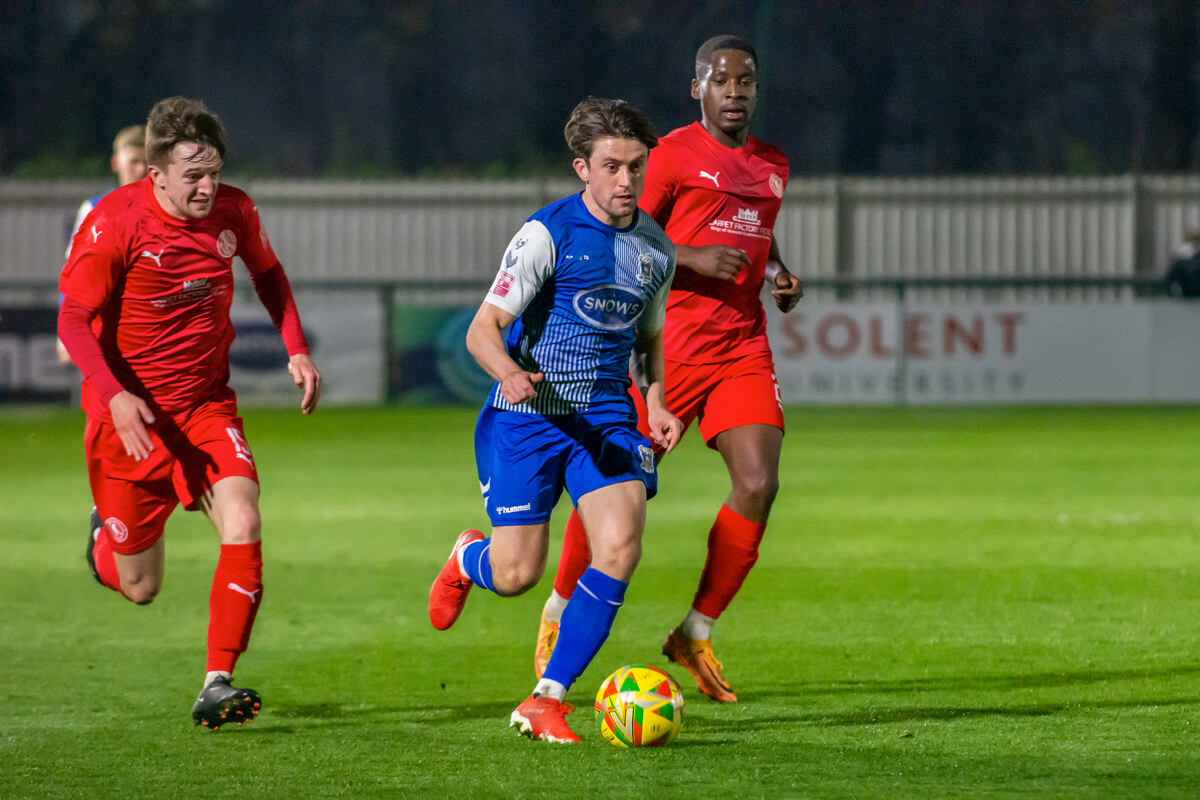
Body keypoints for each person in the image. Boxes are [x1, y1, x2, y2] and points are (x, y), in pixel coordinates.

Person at [533, 35, 804, 704]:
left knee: (759, 481)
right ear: (698, 89)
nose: (734, 90)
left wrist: (777, 272)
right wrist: (694, 258)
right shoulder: (672, 156)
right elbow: (621, 229)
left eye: (746, 80)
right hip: (672, 344)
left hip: (741, 344)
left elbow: (757, 233)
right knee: (612, 482)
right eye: (721, 79)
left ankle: (695, 631)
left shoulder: (773, 165)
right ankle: (560, 610)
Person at [57, 96, 321, 730]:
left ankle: (216, 680)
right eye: (193, 176)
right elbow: (71, 318)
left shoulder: (235, 209)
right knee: (140, 587)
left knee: (244, 516)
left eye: (214, 171)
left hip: (204, 407)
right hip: (129, 423)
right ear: (157, 176)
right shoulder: (114, 225)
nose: (208, 187)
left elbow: (269, 273)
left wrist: (297, 349)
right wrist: (115, 395)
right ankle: (103, 539)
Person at [428, 97, 682, 743]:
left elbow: (646, 340)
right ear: (582, 169)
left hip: (604, 417)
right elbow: (483, 332)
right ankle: (467, 559)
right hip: (531, 413)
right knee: (516, 576)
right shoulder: (547, 234)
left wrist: (654, 401)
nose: (626, 181)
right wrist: (508, 374)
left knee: (621, 546)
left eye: (636, 167)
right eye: (612, 167)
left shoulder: (656, 247)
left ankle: (547, 698)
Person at [57, 125, 149, 364]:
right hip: (110, 327)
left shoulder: (170, 209)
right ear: (116, 163)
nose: (141, 169)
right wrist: (67, 332)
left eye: (146, 162)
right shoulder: (96, 209)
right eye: (134, 161)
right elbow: (75, 271)